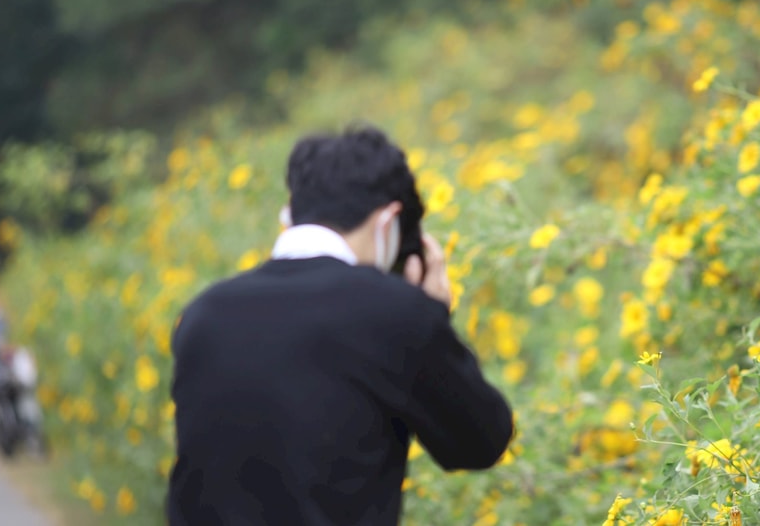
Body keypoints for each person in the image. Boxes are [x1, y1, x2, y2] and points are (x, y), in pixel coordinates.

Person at [168, 125, 514, 526]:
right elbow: (480, 442)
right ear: (390, 221)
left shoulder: (203, 314)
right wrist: (432, 314)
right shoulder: (393, 313)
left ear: (290, 215)